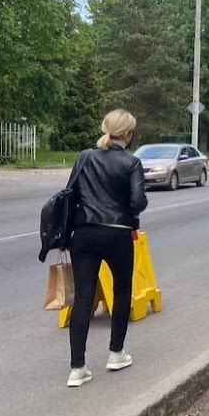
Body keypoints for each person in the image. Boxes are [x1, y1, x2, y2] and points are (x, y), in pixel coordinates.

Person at [65, 109, 148, 388]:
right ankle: (116, 353)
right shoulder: (132, 163)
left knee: (83, 299)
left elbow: (70, 194)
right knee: (122, 291)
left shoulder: (84, 157)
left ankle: (77, 368)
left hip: (84, 235)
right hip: (118, 235)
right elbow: (137, 203)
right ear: (127, 134)